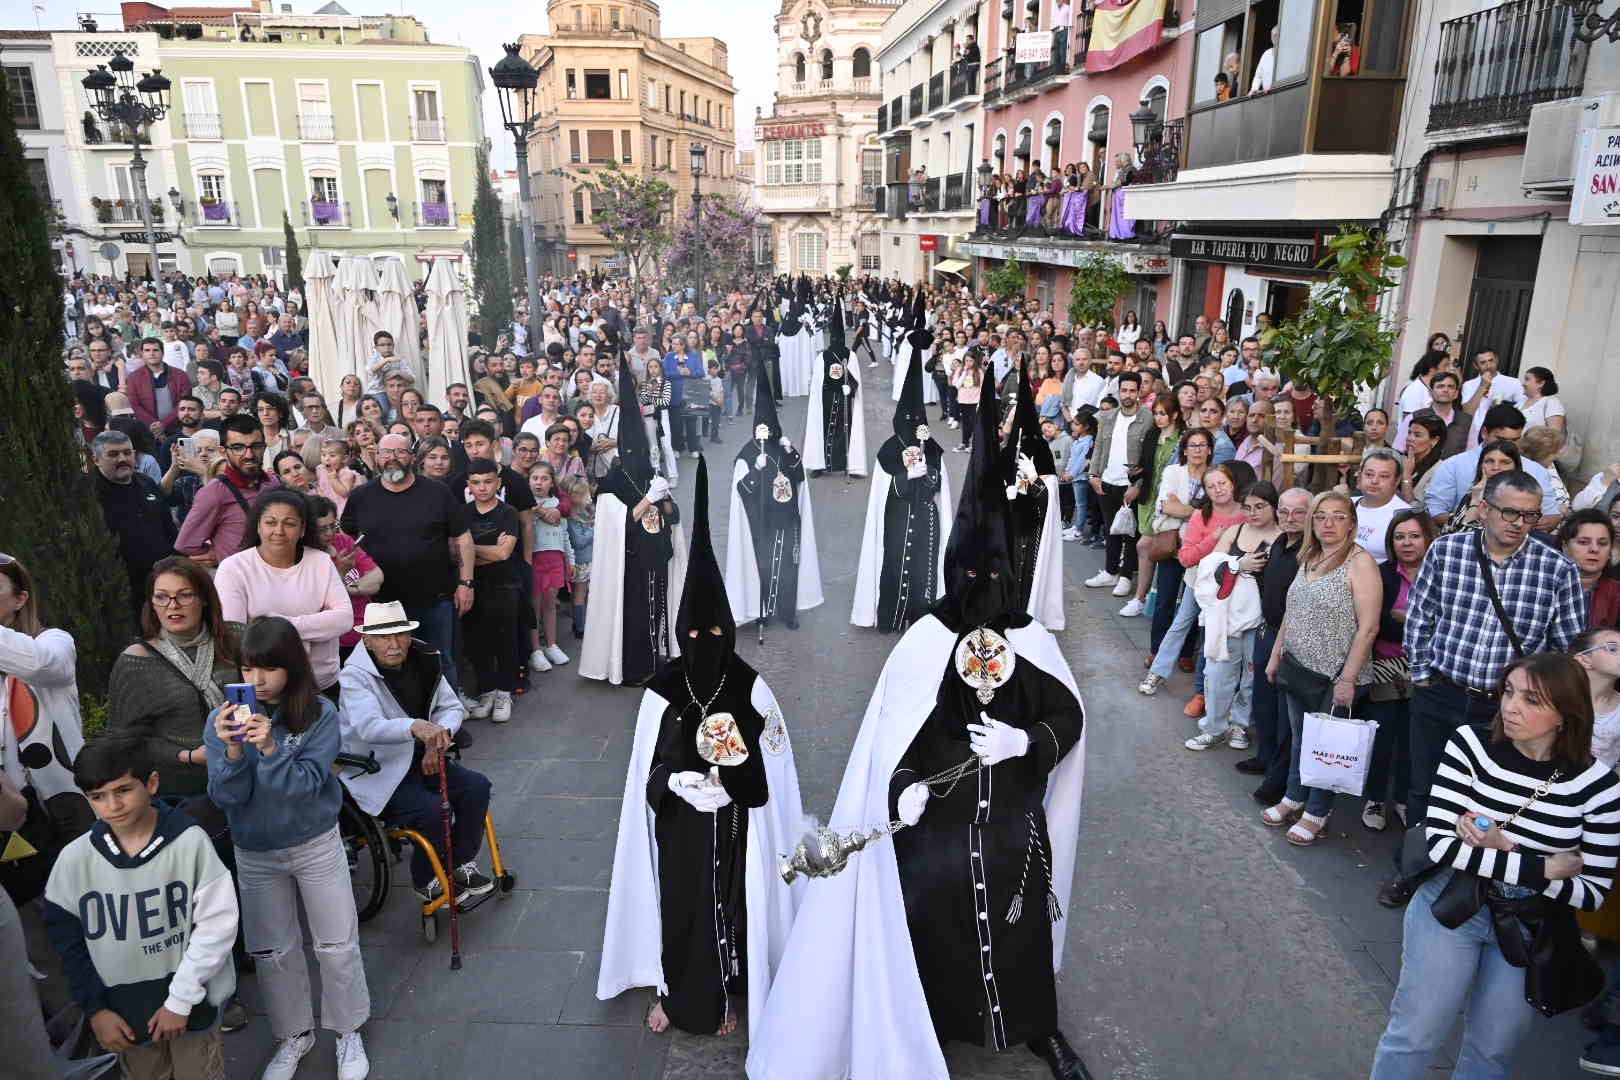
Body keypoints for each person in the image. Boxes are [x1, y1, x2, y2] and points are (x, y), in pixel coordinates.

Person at [746, 393, 1091, 1080]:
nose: (979, 586)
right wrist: (901, 792)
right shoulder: (926, 640)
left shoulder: (1030, 639)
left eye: (991, 576)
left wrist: (1027, 745)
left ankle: (1037, 1029)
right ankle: (932, 1024)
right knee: (936, 934)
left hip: (1013, 828)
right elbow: (893, 742)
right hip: (937, 831)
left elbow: (1068, 717)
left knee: (1020, 938)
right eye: (968, 575)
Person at [597, 453, 805, 1036]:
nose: (703, 641)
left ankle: (734, 994)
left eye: (714, 632)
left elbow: (776, 770)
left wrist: (737, 783)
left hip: (739, 826)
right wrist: (678, 784)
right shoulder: (661, 692)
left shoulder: (752, 687)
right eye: (692, 633)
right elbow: (648, 774)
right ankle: (680, 994)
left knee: (736, 908)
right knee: (685, 909)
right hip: (681, 829)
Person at [1369, 653, 1620, 1078]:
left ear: (1565, 714)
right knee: (1415, 1034)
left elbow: (1591, 892)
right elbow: (1441, 846)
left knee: (1492, 1051)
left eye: (1532, 700)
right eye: (1508, 691)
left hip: (1530, 926)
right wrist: (1540, 868)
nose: (1510, 707)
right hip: (1451, 901)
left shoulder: (1599, 787)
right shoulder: (1470, 744)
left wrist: (1503, 848)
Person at [1382, 468, 1587, 906]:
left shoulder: (1557, 569)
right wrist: (1422, 677)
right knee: (1425, 788)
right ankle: (1413, 870)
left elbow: (1565, 650)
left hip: (1504, 710)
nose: (1518, 523)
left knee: (1489, 798)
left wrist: (1535, 705)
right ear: (1485, 508)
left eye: (1530, 516)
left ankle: (1476, 880)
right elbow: (1422, 615)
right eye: (1510, 512)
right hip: (1441, 692)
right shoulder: (1448, 551)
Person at [202, 617, 370, 1080]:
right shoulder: (221, 720)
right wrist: (233, 753)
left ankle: (347, 1030)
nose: (256, 681)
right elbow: (226, 799)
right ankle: (294, 1034)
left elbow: (309, 788)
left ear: (291, 667)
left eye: (268, 669)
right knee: (272, 950)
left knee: (336, 943)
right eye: (247, 669)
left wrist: (273, 749)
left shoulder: (319, 714)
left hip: (314, 841)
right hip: (255, 850)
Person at [43, 735, 239, 1080]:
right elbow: (68, 945)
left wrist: (180, 1000)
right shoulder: (74, 861)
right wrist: (96, 1009)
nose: (112, 806)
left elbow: (217, 926)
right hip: (124, 1018)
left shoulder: (189, 841)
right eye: (97, 797)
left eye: (123, 790)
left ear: (151, 783)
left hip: (190, 1008)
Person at [337, 601, 495, 907]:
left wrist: (439, 738)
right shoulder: (354, 677)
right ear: (367, 640)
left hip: (427, 756)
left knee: (477, 788)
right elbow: (368, 727)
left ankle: (457, 863)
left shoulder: (425, 659)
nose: (394, 644)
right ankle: (426, 880)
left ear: (409, 636)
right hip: (379, 770)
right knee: (433, 810)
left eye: (400, 635)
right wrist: (416, 727)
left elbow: (450, 707)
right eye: (384, 637)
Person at [1261, 491, 1381, 846]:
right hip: (1299, 668)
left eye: (1338, 516)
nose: (1328, 524)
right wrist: (1276, 653)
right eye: (1321, 516)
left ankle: (1317, 811)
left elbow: (1369, 627)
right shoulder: (1310, 556)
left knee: (1327, 748)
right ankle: (1294, 796)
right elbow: (1291, 610)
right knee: (1301, 738)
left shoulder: (1360, 563)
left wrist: (1347, 679)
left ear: (1352, 523)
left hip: (1336, 675)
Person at [340, 433, 475, 692]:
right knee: (387, 666)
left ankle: (448, 719)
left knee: (440, 659)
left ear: (412, 458)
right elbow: (345, 540)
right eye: (386, 453)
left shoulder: (437, 492)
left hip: (434, 598)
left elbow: (462, 537)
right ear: (377, 458)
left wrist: (466, 582)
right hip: (380, 604)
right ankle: (404, 720)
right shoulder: (360, 496)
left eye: (400, 452)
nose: (393, 458)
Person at [579, 365, 686, 686]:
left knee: (658, 609)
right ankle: (635, 667)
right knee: (636, 614)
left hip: (656, 554)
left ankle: (659, 656)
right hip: (629, 560)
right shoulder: (614, 481)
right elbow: (618, 523)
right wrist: (647, 499)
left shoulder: (649, 474)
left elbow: (672, 516)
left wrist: (665, 498)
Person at [852, 345, 953, 632]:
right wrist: (906, 477)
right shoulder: (888, 449)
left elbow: (940, 491)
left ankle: (922, 620)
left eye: (917, 420)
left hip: (925, 519)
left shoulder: (933, 449)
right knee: (894, 565)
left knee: (924, 568)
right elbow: (883, 490)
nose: (912, 425)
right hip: (895, 518)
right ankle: (893, 616)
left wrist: (929, 472)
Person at [214, 490, 352, 698]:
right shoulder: (233, 568)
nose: (279, 530)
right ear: (258, 526)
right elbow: (235, 634)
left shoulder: (321, 562)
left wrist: (272, 625)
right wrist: (317, 622)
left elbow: (344, 619)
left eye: (289, 523)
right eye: (270, 522)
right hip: (261, 690)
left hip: (320, 685)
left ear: (303, 529)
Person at [1186, 482, 1281, 752]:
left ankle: (1239, 724)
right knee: (1217, 674)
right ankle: (1214, 727)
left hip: (1263, 619)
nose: (1253, 512)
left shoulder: (1283, 537)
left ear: (1273, 507)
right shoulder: (1234, 531)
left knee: (1253, 676)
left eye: (1260, 506)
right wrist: (1239, 564)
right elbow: (1210, 566)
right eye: (1248, 507)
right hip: (1228, 616)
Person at [727, 368, 822, 632]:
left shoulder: (784, 449)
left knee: (790, 566)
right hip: (763, 521)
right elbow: (742, 489)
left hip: (788, 518)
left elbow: (799, 477)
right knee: (765, 566)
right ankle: (764, 611)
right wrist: (756, 472)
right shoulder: (747, 455)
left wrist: (792, 453)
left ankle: (788, 611)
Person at [1360, 509, 1434, 834]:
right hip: (1386, 666)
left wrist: (1406, 616)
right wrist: (1411, 620)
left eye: (1414, 536)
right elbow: (1380, 625)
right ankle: (1375, 798)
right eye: (1399, 537)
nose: (1407, 543)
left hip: (1429, 669)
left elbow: (1444, 624)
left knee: (1413, 740)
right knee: (1383, 734)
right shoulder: (1383, 574)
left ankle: (1404, 799)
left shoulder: (1442, 572)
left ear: (1428, 538)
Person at [1002, 369, 1065, 630]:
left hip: (1032, 529)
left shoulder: (1040, 449)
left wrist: (1032, 481)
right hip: (1008, 523)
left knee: (1027, 573)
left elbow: (1049, 498)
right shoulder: (1007, 450)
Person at [92, 429, 179, 616]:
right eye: (113, 454)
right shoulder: (89, 495)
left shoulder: (146, 483)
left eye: (127, 452)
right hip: (121, 590)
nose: (122, 459)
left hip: (162, 581)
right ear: (96, 459)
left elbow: (168, 529)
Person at [175, 414, 279, 568]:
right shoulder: (214, 492)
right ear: (223, 451)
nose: (249, 455)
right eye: (238, 448)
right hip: (240, 583)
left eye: (256, 446)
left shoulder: (273, 483)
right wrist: (218, 554)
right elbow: (185, 544)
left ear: (264, 447)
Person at [1086, 371, 1152, 599]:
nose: (1127, 395)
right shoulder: (1107, 417)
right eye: (1124, 390)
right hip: (1107, 480)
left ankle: (1125, 577)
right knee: (1111, 529)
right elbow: (1098, 448)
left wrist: (1139, 485)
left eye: (1132, 390)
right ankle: (1110, 571)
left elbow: (1148, 456)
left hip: (1130, 485)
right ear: (1118, 391)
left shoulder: (1147, 419)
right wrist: (1093, 474)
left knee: (1130, 533)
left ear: (1139, 391)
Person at [804, 290, 866, 477]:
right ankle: (819, 463)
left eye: (840, 338)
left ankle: (851, 463)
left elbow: (856, 381)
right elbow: (817, 383)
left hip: (845, 400)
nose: (837, 340)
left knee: (844, 432)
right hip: (826, 398)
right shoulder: (822, 357)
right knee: (822, 429)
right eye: (835, 338)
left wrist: (851, 387)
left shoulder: (851, 356)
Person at [526, 463, 573, 676]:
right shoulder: (525, 505)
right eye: (534, 478)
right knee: (534, 605)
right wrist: (535, 512)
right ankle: (535, 649)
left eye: (544, 478)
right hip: (535, 557)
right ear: (529, 481)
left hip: (555, 558)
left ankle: (551, 644)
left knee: (550, 603)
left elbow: (564, 535)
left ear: (552, 482)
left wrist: (569, 560)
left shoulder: (557, 505)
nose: (539, 482)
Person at [1561, 509, 1620, 629]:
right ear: (1565, 547)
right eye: (1583, 542)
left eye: (1602, 543)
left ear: (1610, 551)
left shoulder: (1617, 593)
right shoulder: (1546, 586)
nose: (1594, 549)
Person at [1352, 449, 1412, 562]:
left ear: (1397, 480)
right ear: (1360, 476)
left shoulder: (1406, 515)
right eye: (1369, 474)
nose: (1374, 481)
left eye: (1384, 476)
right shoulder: (1346, 505)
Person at [562, 475, 595, 639]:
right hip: (581, 561)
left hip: (587, 559)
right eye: (583, 494)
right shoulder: (570, 519)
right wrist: (595, 529)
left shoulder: (583, 512)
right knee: (579, 594)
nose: (587, 497)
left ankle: (583, 623)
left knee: (583, 593)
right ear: (573, 497)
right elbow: (579, 541)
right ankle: (580, 627)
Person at [1519, 366, 1565, 432]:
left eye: (1527, 379)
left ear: (1541, 383)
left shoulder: (1552, 403)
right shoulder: (1523, 400)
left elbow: (1554, 435)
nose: (1523, 383)